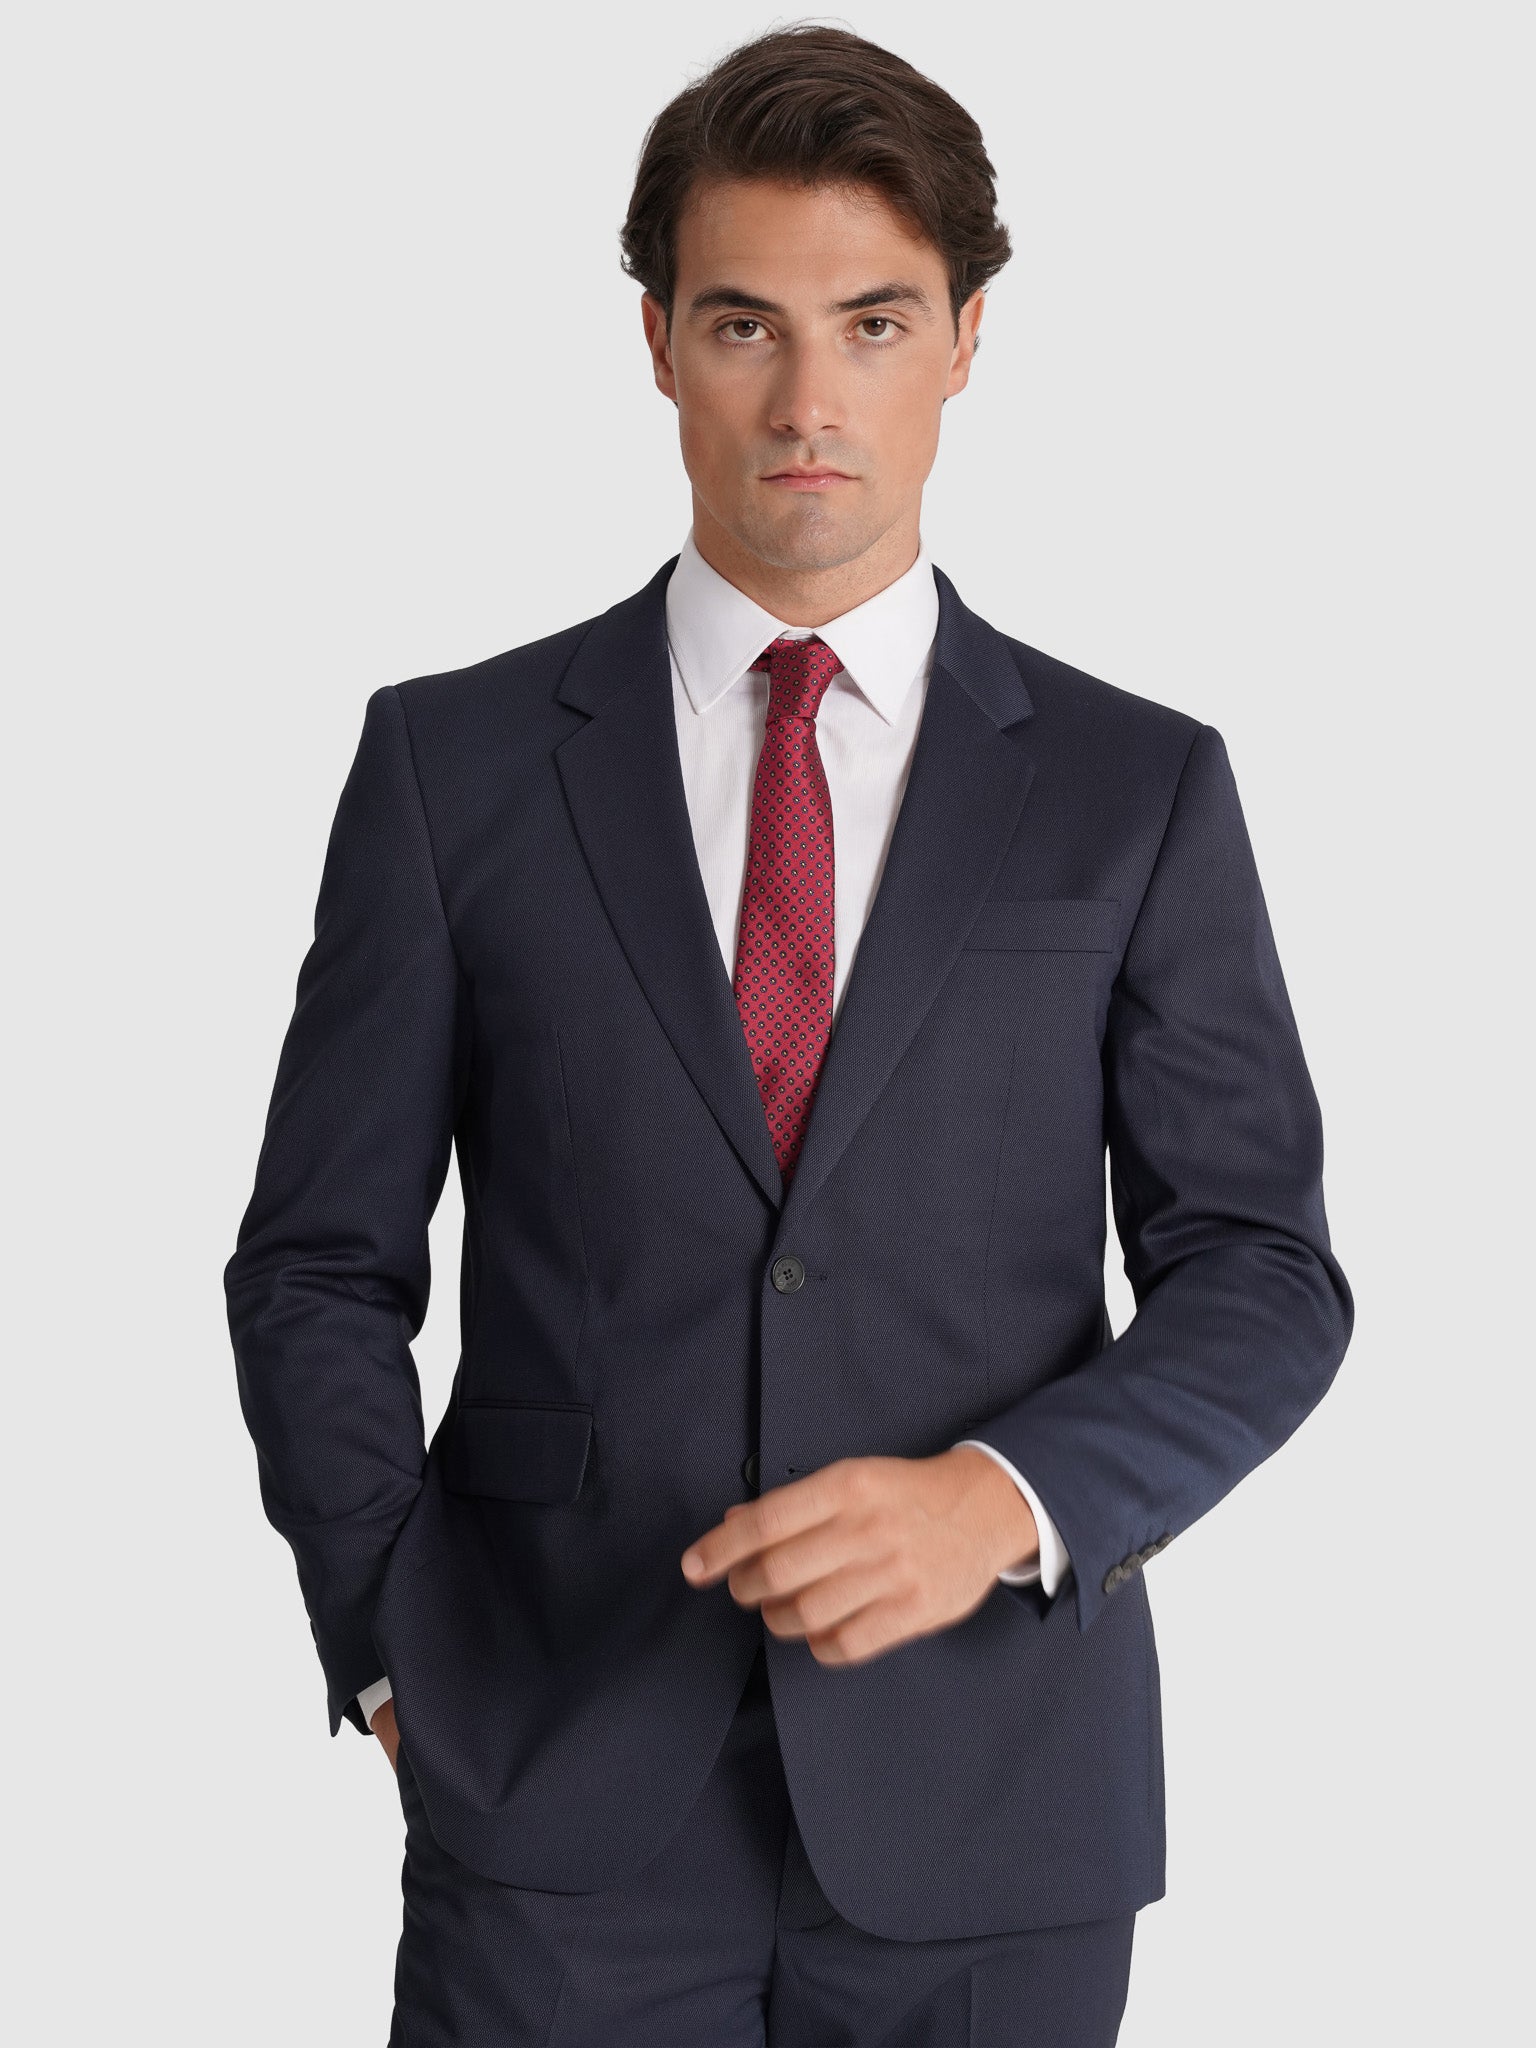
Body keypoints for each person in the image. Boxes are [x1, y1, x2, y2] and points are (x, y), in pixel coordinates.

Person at [224, 23, 1353, 2045]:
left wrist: (1003, 1497)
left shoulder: (1135, 788)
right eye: (745, 322)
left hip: (993, 1808)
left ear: (968, 340)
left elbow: (1262, 1271)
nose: (809, 399)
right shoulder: (449, 768)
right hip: (552, 1788)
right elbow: (317, 1261)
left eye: (874, 323)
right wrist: (393, 1648)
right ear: (659, 342)